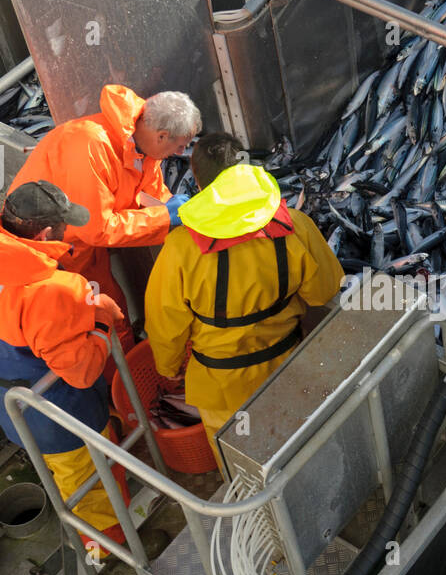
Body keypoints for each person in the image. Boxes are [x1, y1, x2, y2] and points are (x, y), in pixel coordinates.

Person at [0, 181, 134, 551]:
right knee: (89, 486)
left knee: (63, 471)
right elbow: (81, 372)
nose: (69, 230)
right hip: (59, 412)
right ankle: (110, 550)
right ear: (43, 234)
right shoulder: (54, 290)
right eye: (64, 225)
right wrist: (102, 320)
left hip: (4, 394)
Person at [145, 136, 344, 458]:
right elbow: (324, 292)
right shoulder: (295, 225)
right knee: (300, 452)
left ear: (198, 182)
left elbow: (164, 323)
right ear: (247, 170)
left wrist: (169, 368)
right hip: (289, 369)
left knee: (241, 462)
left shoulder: (180, 248)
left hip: (222, 390)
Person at [10, 85, 201, 344]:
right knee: (92, 323)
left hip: (81, 248)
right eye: (179, 146)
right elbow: (97, 228)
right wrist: (166, 218)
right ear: (161, 136)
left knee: (115, 312)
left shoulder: (141, 144)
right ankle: (117, 379)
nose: (180, 153)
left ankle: (130, 365)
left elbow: (150, 191)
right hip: (48, 253)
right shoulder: (91, 146)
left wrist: (184, 215)